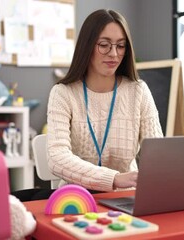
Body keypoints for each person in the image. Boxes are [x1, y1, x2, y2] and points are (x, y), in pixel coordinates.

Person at [46, 9, 163, 192]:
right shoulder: (63, 93)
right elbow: (57, 158)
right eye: (104, 45)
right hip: (78, 198)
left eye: (121, 46)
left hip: (127, 199)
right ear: (87, 46)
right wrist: (114, 179)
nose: (114, 54)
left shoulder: (138, 91)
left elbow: (158, 155)